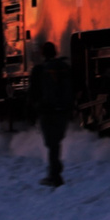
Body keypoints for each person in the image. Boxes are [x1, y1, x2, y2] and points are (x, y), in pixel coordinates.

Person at [33, 41, 74, 187]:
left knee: (52, 144)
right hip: (62, 111)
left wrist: (32, 112)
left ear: (43, 54)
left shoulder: (39, 70)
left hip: (47, 112)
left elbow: (33, 94)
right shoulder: (66, 68)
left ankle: (54, 174)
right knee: (56, 142)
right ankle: (55, 171)